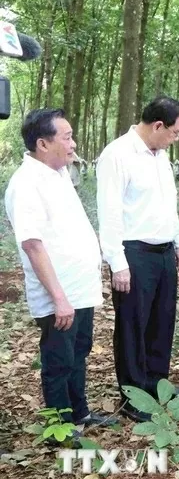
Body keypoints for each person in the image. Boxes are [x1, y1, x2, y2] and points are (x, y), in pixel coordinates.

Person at [4, 109, 118, 436]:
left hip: (79, 289)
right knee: (58, 362)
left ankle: (79, 414)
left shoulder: (59, 173)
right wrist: (58, 298)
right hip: (60, 295)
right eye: (66, 137)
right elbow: (33, 245)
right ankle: (61, 429)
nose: (73, 143)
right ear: (43, 143)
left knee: (78, 354)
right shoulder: (25, 184)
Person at [96, 96, 179, 423]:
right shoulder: (117, 155)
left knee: (162, 321)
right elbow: (108, 213)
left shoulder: (160, 155)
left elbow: (168, 203)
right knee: (132, 326)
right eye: (175, 132)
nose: (177, 139)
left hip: (164, 252)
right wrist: (117, 262)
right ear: (157, 126)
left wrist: (178, 241)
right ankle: (133, 395)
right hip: (133, 254)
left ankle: (155, 385)